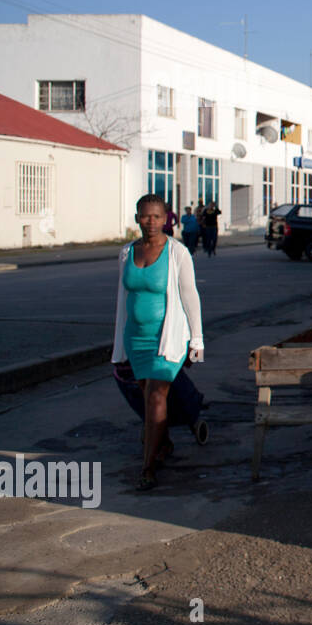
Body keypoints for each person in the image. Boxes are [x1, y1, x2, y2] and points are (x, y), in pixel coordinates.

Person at [111, 194, 204, 490]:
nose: (151, 222)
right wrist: (119, 343)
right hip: (135, 338)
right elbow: (123, 298)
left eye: (157, 216)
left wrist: (197, 340)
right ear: (137, 218)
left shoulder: (177, 252)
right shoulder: (127, 252)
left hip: (167, 337)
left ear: (166, 219)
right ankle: (163, 443)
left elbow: (190, 296)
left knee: (155, 396)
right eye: (145, 216)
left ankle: (148, 467)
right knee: (149, 398)